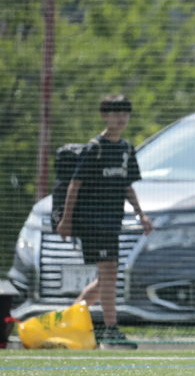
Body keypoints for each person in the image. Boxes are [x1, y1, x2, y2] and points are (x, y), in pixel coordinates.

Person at [56, 94, 153, 349]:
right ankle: (111, 331)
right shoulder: (95, 148)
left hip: (112, 221)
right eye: (115, 113)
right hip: (93, 221)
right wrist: (66, 220)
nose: (121, 118)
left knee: (107, 277)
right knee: (109, 272)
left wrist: (141, 215)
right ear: (105, 116)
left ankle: (67, 321)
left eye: (125, 113)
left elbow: (127, 186)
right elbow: (75, 185)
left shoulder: (126, 149)